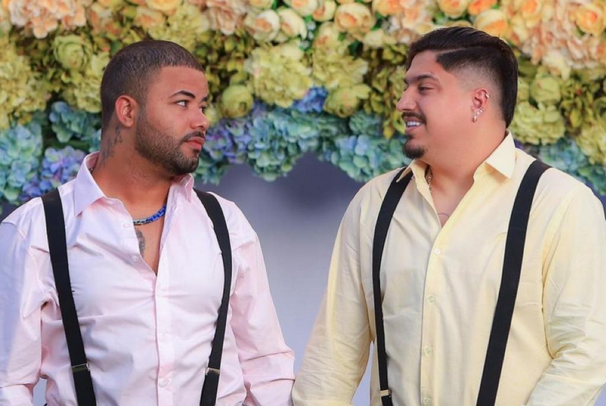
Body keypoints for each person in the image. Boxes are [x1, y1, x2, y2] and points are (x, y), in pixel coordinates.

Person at [293, 27, 606, 406]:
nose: (403, 102)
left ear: (478, 101)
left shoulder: (560, 203)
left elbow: (583, 353)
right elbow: (333, 355)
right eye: (406, 87)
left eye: (424, 88)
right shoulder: (374, 202)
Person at [0, 40, 295, 406]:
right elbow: (7, 384)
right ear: (127, 110)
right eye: (183, 103)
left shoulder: (225, 222)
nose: (201, 120)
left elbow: (266, 367)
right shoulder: (35, 231)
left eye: (202, 106)